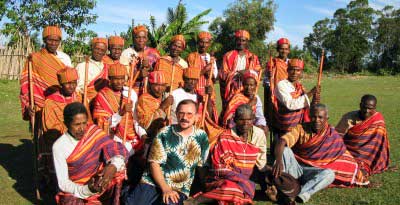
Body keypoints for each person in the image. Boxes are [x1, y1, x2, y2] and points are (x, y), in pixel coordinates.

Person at [272, 104, 369, 203]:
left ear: (327, 118)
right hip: (296, 169)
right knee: (285, 150)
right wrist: (279, 160)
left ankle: (299, 193)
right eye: (313, 117)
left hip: (312, 172)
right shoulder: (300, 128)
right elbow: (282, 141)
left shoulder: (331, 133)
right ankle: (289, 188)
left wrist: (358, 172)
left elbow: (343, 154)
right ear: (309, 116)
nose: (316, 120)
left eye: (320, 117)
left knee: (329, 174)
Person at [123, 100, 209, 205]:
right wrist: (166, 189)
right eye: (181, 113)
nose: (184, 117)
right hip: (152, 181)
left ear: (196, 117)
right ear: (176, 114)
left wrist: (204, 188)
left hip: (179, 186)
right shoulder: (164, 133)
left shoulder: (202, 137)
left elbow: (201, 165)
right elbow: (154, 163)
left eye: (189, 114)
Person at [53, 102, 127, 204]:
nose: (82, 129)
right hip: (77, 189)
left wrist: (113, 166)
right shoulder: (59, 146)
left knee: (118, 172)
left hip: (99, 182)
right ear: (66, 123)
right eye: (77, 125)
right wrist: (87, 190)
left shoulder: (93, 132)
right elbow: (63, 183)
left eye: (84, 123)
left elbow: (113, 147)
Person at [194, 104, 267, 205]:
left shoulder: (259, 134)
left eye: (249, 119)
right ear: (235, 120)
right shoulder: (224, 137)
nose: (245, 123)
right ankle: (199, 199)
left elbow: (261, 163)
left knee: (235, 190)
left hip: (245, 178)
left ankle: (210, 198)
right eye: (241, 119)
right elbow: (219, 168)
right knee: (230, 187)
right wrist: (243, 180)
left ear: (253, 120)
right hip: (222, 179)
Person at [92, 63, 147, 156]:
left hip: (132, 137)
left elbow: (135, 119)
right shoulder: (102, 96)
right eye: (116, 79)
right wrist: (121, 113)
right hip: (114, 138)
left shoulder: (130, 93)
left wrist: (143, 135)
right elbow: (103, 125)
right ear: (110, 79)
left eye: (122, 78)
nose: (119, 82)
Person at [40, 67, 82, 189]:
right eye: (68, 83)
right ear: (61, 84)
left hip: (79, 140)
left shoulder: (79, 98)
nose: (72, 86)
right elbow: (50, 128)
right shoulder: (51, 102)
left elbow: (86, 121)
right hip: (60, 141)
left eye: (74, 83)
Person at [20, 25, 72, 122]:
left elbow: (71, 80)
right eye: (50, 40)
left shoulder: (65, 58)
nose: (53, 43)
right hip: (40, 103)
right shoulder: (34, 58)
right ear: (44, 40)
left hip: (61, 102)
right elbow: (25, 83)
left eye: (56, 41)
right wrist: (27, 104)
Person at [336, 94, 390, 176]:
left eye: (370, 108)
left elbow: (380, 143)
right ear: (360, 105)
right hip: (350, 153)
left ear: (375, 108)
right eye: (365, 107)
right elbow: (337, 137)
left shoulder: (378, 119)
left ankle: (372, 165)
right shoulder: (349, 117)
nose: (367, 111)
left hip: (370, 155)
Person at [273, 59, 318, 134]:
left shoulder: (300, 87)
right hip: (286, 127)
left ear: (301, 72)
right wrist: (310, 93)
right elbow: (291, 105)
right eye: (292, 70)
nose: (294, 73)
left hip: (300, 125)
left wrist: (315, 98)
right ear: (287, 70)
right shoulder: (281, 85)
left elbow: (306, 105)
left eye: (298, 70)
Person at [219, 30, 261, 105]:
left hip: (248, 90)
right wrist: (237, 73)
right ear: (236, 41)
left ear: (247, 42)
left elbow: (258, 72)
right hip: (232, 91)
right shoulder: (228, 56)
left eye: (243, 40)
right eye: (239, 40)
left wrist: (248, 72)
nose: (241, 43)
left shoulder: (253, 57)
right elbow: (223, 74)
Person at [121, 25, 161, 95]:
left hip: (150, 93)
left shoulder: (154, 53)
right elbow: (122, 77)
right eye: (138, 37)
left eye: (144, 37)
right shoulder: (126, 53)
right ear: (133, 39)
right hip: (131, 92)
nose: (141, 40)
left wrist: (149, 67)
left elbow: (158, 73)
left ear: (147, 39)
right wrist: (139, 75)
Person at [264, 37, 290, 131]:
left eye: (286, 49)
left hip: (288, 95)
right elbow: (266, 81)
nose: (284, 51)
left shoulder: (291, 63)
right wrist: (270, 77)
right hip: (275, 95)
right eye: (282, 48)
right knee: (274, 121)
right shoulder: (272, 63)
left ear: (289, 50)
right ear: (278, 49)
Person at [136, 71, 168, 139]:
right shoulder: (144, 99)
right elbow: (147, 124)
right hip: (153, 139)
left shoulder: (166, 97)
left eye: (163, 85)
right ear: (150, 85)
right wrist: (163, 107)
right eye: (156, 85)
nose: (160, 89)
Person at [186, 31, 218, 97]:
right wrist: (205, 69)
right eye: (201, 42)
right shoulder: (191, 57)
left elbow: (214, 80)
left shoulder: (211, 59)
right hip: (194, 93)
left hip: (208, 93)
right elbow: (189, 77)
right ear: (198, 43)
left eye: (206, 43)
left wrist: (211, 75)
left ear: (209, 44)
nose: (204, 45)